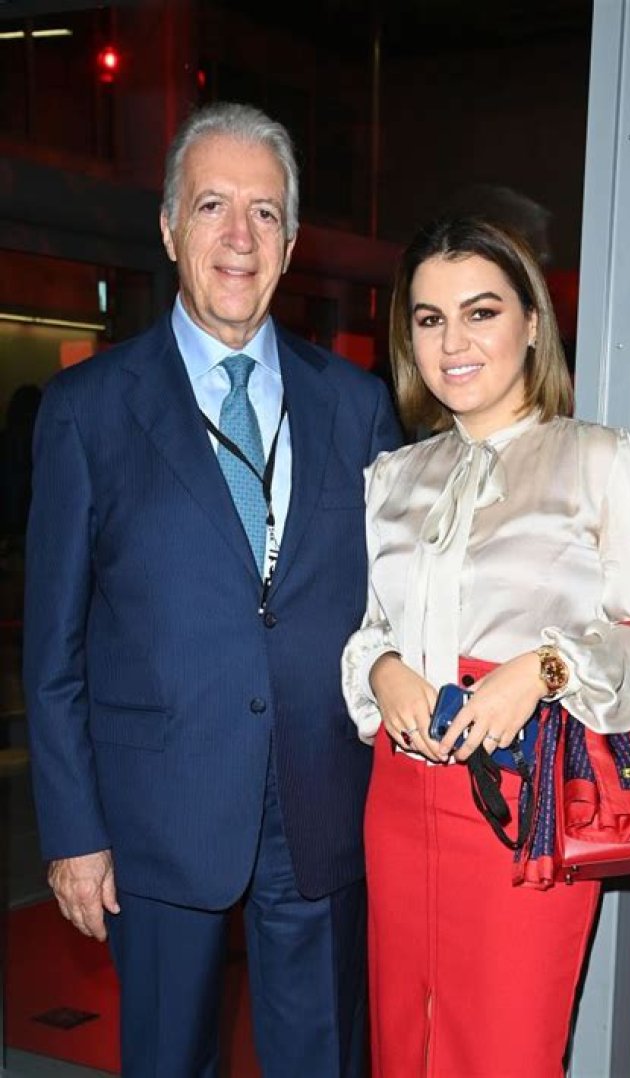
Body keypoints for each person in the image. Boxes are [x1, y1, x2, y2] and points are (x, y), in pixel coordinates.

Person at [24, 101, 401, 1078]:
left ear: (291, 243)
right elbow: (53, 651)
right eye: (212, 206)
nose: (241, 236)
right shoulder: (87, 412)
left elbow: (399, 605)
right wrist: (73, 833)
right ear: (167, 227)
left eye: (265, 212)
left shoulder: (356, 406)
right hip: (158, 810)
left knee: (324, 1058)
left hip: (321, 802)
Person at [341, 215, 630, 1077]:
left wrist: (543, 670)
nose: (452, 343)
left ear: (532, 323)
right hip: (398, 796)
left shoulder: (605, 463)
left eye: (481, 312)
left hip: (525, 801)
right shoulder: (391, 479)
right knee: (401, 1043)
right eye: (430, 319)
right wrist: (382, 670)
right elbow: (374, 625)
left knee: (506, 1050)